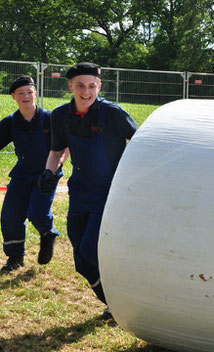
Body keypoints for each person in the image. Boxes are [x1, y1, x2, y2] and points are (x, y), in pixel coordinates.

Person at [38, 62, 138, 318]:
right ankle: (114, 304)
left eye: (92, 86)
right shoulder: (60, 116)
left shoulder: (113, 114)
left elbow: (140, 144)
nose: (86, 92)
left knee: (90, 251)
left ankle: (125, 300)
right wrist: (50, 172)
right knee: (81, 261)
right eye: (80, 86)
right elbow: (57, 151)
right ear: (70, 86)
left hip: (109, 193)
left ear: (99, 86)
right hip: (80, 192)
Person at [0, 75, 68, 273]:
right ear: (13, 96)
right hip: (22, 174)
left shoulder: (50, 118)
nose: (26, 96)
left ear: (35, 93)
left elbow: (65, 147)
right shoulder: (10, 122)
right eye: (21, 93)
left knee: (37, 214)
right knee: (10, 215)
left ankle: (47, 234)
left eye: (29, 92)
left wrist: (54, 169)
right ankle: (15, 258)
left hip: (47, 174)